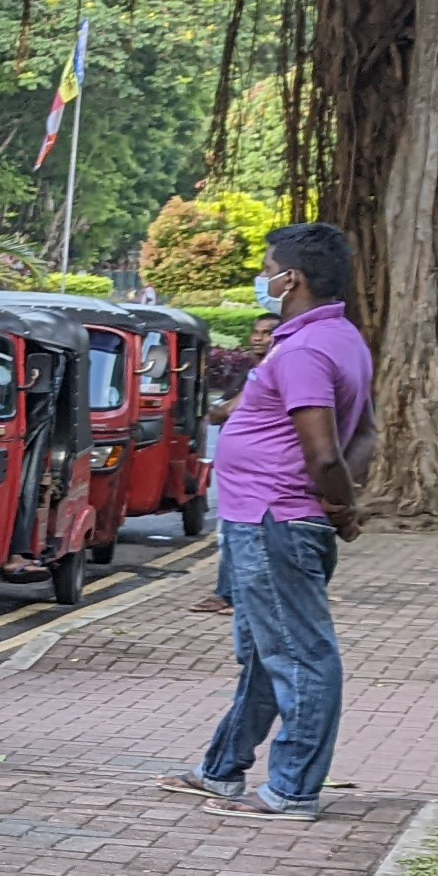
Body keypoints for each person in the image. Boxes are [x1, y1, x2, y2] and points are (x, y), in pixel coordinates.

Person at [164, 222, 371, 819]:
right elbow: (368, 435)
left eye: (267, 269)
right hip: (270, 518)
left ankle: (293, 789)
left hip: (273, 520)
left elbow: (326, 450)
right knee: (263, 653)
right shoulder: (340, 338)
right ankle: (221, 769)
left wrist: (340, 506)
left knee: (302, 655)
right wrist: (340, 505)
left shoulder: (305, 350)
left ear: (293, 278)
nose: (264, 279)